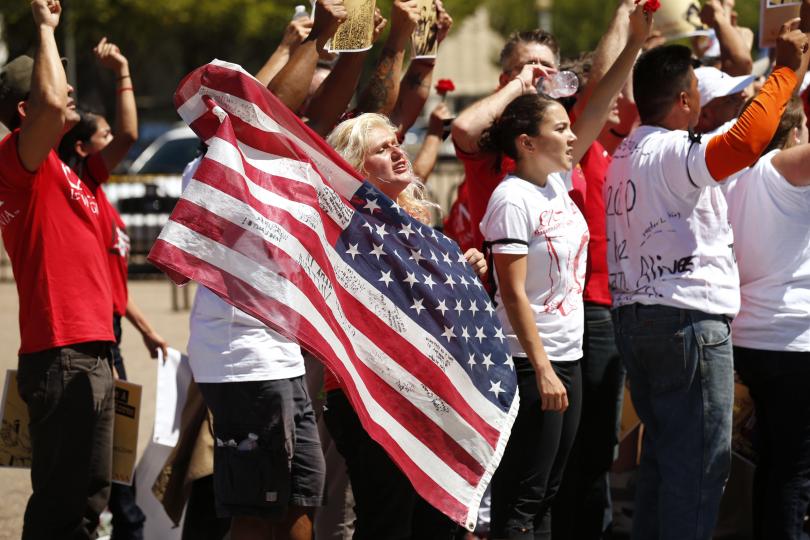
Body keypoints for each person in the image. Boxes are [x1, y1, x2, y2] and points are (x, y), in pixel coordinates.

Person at [604, 16, 808, 539]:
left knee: (665, 464)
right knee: (696, 472)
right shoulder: (671, 150)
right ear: (683, 101)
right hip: (685, 325)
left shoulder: (626, 151)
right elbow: (741, 143)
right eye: (697, 90)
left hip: (642, 321)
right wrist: (784, 72)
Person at [478, 6, 651, 538]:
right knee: (523, 497)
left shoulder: (555, 180)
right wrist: (544, 367)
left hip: (568, 355)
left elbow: (601, 99)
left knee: (551, 489)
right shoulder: (512, 197)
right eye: (559, 127)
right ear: (526, 142)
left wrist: (633, 45)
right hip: (532, 364)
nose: (573, 135)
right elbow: (512, 296)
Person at [184, 4, 347, 539]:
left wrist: (355, 42)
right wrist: (321, 36)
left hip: (269, 358)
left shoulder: (258, 156)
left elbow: (304, 107)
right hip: (248, 363)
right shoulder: (223, 160)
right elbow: (279, 107)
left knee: (294, 501)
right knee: (264, 514)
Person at [324, 112, 486, 540]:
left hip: (430, 392)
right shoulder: (342, 225)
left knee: (437, 523)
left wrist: (461, 272)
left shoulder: (418, 221)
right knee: (387, 522)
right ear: (356, 167)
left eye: (397, 142)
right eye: (382, 149)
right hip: (372, 396)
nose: (399, 151)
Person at [0, 1, 115, 538]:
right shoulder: (18, 160)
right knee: (59, 507)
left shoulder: (62, 169)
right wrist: (45, 28)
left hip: (89, 349)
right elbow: (50, 101)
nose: (70, 90)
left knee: (90, 504)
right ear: (25, 112)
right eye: (58, 82)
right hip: (61, 353)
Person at [58, 36, 168, 540]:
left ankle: (123, 522)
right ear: (83, 148)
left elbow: (113, 287)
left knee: (115, 449)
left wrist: (144, 328)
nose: (114, 144)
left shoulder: (98, 195)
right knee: (104, 455)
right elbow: (127, 133)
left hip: (113, 335)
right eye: (100, 138)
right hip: (89, 344)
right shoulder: (76, 190)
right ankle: (125, 525)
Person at [724, 95, 810, 539]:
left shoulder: (736, 174)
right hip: (791, 341)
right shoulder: (781, 169)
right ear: (795, 135)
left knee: (773, 463)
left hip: (752, 338)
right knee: (794, 470)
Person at [447, 28, 561, 255]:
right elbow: (464, 128)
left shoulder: (566, 128)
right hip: (501, 278)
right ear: (505, 79)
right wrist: (520, 84)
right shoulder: (492, 135)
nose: (537, 72)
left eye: (545, 66)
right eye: (527, 66)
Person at [695, 66, 755, 134]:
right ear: (706, 116)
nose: (745, 95)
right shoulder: (712, 141)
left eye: (739, 90)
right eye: (732, 97)